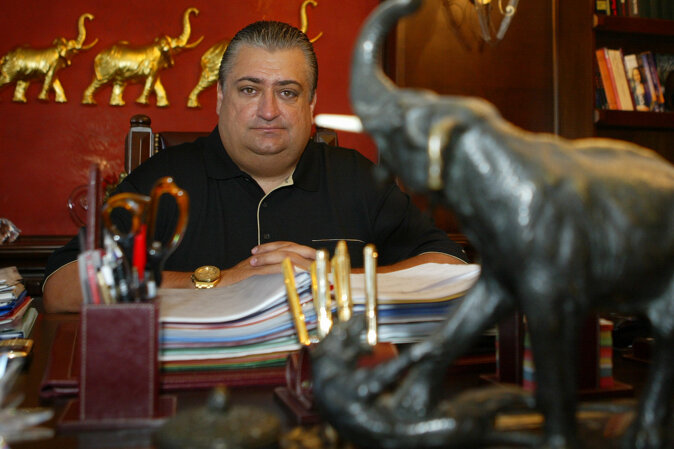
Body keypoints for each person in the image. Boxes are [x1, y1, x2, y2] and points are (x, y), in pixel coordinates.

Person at [43, 21, 467, 313]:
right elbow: (62, 285)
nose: (268, 110)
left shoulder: (358, 177)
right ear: (220, 98)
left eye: (288, 92)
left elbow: (449, 265)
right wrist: (216, 282)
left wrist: (332, 280)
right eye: (249, 89)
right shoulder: (163, 180)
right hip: (196, 394)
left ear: (311, 105)